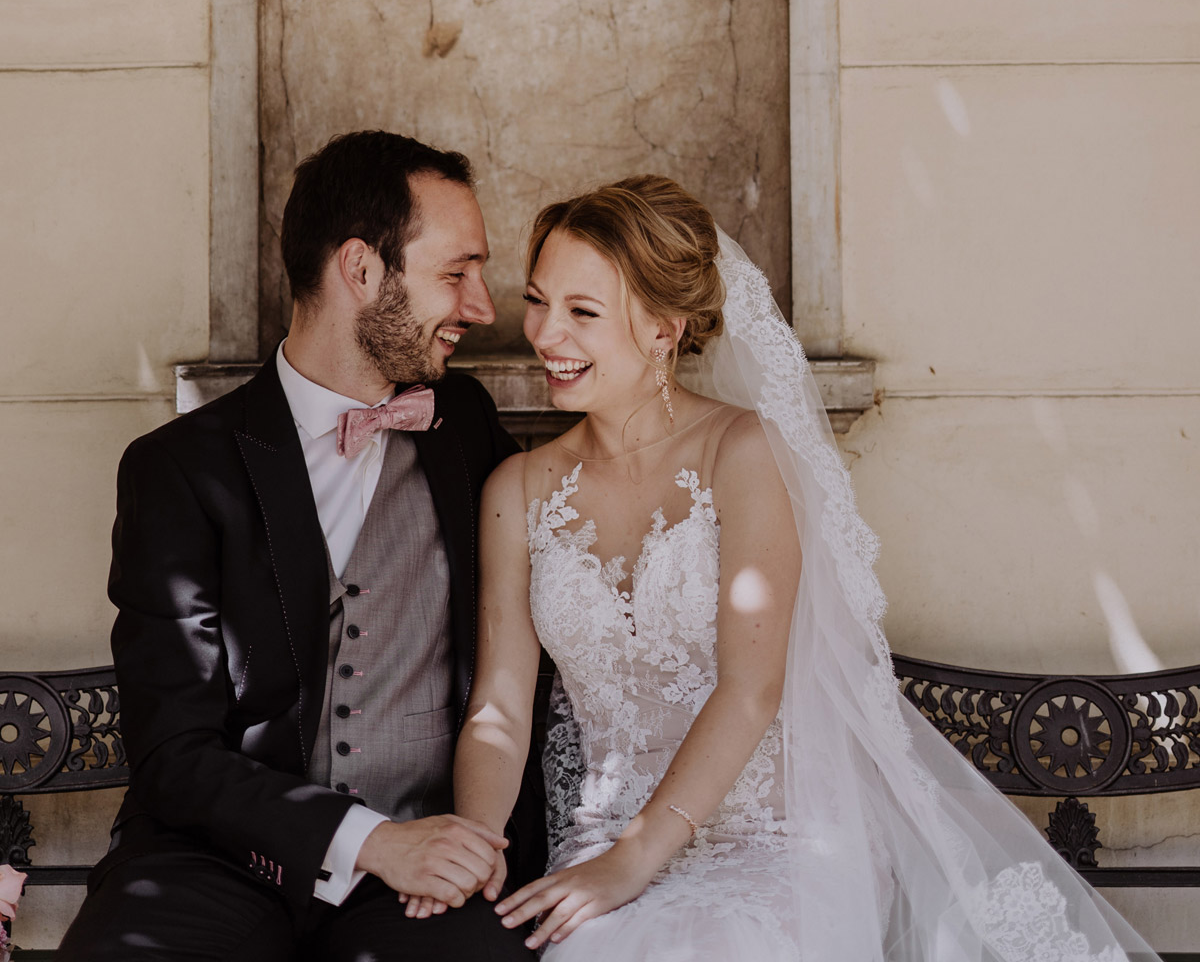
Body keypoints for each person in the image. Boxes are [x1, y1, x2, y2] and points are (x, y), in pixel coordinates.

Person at [449, 175, 1159, 960]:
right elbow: (501, 706)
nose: (546, 334)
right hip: (603, 840)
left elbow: (751, 690)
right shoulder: (517, 488)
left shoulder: (743, 453)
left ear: (664, 329)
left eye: (582, 313)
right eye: (539, 301)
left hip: (774, 841)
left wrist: (636, 860)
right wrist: (472, 850)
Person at [60, 130, 542, 962]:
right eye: (456, 273)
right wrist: (365, 839)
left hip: (427, 867)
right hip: (218, 862)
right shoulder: (178, 471)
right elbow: (175, 755)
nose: (482, 308)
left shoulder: (462, 430)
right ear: (360, 269)